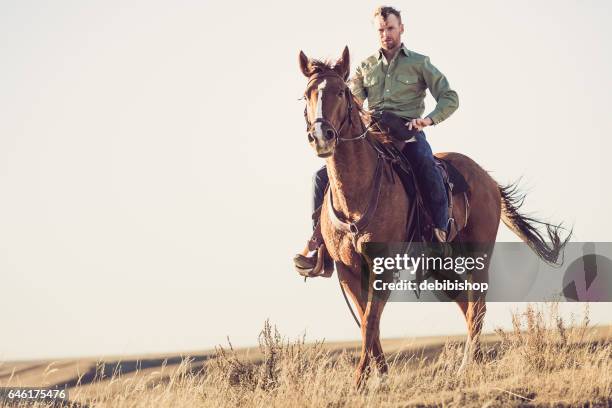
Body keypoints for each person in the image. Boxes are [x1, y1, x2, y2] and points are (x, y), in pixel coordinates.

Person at [294, 6, 459, 273]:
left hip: (408, 135)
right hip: (373, 135)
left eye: (390, 28)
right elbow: (354, 101)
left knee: (426, 167)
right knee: (321, 178)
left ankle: (440, 239)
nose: (386, 34)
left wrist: (427, 120)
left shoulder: (419, 63)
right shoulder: (366, 66)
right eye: (381, 30)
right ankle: (319, 246)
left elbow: (450, 98)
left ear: (401, 28)